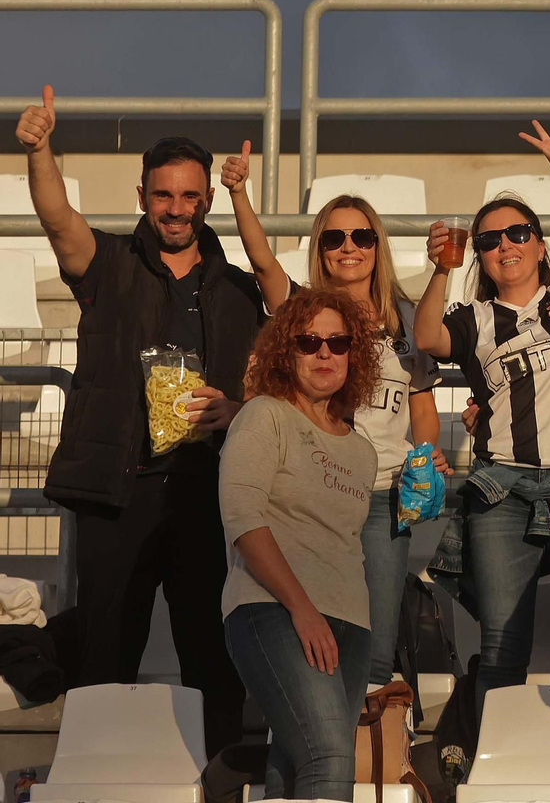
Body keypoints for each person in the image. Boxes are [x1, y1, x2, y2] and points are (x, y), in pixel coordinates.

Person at [15, 86, 257, 756]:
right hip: (118, 494)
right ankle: (98, 780)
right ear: (142, 196)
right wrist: (39, 149)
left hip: (206, 494)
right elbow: (58, 219)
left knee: (212, 655)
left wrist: (236, 410)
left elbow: (273, 388)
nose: (176, 209)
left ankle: (217, 781)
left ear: (207, 201)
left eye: (189, 196)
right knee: (106, 655)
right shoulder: (109, 264)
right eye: (163, 195)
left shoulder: (238, 288)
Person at [415, 124, 550, 736]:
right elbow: (426, 337)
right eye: (489, 240)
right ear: (481, 257)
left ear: (540, 245)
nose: (505, 246)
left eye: (518, 233)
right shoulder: (472, 318)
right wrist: (441, 268)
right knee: (501, 645)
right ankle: (492, 771)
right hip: (503, 492)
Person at [219, 143, 448, 690]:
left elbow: (421, 406)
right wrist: (238, 193)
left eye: (362, 237)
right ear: (320, 249)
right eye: (334, 238)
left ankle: (363, 736)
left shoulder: (409, 317)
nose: (349, 248)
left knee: (376, 644)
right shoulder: (304, 311)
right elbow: (262, 262)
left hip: (386, 496)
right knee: (317, 633)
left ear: (377, 246)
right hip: (317, 491)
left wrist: (428, 455)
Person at [219, 287, 382, 799]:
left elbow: (348, 544)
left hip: (350, 623)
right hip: (274, 610)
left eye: (339, 342)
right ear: (285, 352)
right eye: (309, 342)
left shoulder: (363, 451)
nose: (325, 353)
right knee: (329, 758)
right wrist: (302, 609)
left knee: (292, 763)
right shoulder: (264, 415)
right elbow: (243, 519)